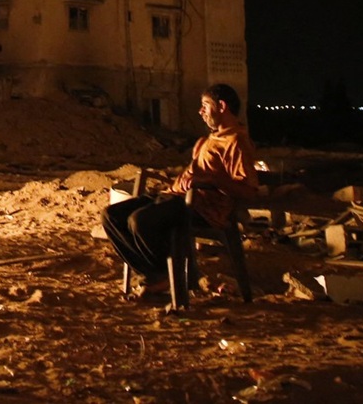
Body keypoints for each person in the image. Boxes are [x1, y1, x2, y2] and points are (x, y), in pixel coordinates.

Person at [102, 83, 259, 295]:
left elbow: (248, 190)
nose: (200, 111)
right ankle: (156, 274)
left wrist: (209, 180)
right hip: (176, 196)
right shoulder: (209, 139)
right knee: (112, 215)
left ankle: (164, 276)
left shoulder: (236, 141)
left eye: (205, 105)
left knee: (140, 221)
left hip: (203, 208)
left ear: (222, 106)